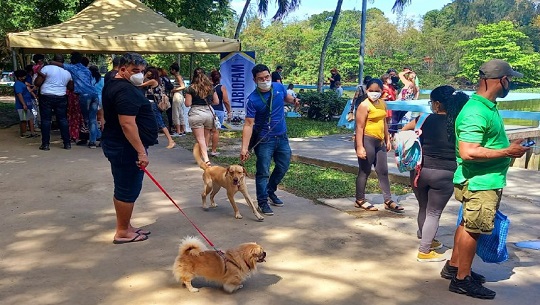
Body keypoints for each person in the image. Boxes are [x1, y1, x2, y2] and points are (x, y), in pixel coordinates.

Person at [441, 59, 528, 299]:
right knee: (473, 229)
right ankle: (462, 280)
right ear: (500, 80)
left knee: (465, 224)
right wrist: (507, 152)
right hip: (480, 183)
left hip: (481, 180)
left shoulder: (486, 106)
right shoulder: (476, 111)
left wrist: (507, 147)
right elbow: (468, 151)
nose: (510, 83)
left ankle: (455, 267)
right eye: (509, 79)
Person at [401, 86, 469, 262]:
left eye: (431, 102)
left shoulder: (423, 118)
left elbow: (403, 132)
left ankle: (427, 240)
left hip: (419, 171)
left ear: (437, 104)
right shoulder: (459, 123)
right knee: (434, 213)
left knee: (423, 207)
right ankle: (424, 250)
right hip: (444, 174)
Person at [101, 52, 157, 244]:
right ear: (122, 69)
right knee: (127, 189)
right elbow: (127, 124)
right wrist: (141, 151)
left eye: (142, 71)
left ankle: (125, 225)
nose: (139, 75)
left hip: (119, 144)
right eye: (135, 71)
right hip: (126, 148)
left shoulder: (115, 82)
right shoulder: (124, 90)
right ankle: (122, 231)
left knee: (126, 188)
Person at [240, 64, 299, 216]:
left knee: (283, 166)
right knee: (263, 172)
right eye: (261, 78)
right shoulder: (252, 99)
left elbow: (285, 97)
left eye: (267, 77)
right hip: (264, 140)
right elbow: (248, 124)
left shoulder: (278, 87)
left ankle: (270, 191)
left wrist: (294, 100)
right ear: (254, 80)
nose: (265, 80)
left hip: (282, 136)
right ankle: (262, 202)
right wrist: (244, 148)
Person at [353, 78, 403, 213]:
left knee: (383, 171)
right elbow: (359, 127)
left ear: (382, 91)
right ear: (367, 90)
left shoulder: (382, 103)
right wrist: (359, 146)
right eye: (371, 91)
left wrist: (387, 140)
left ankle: (388, 200)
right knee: (365, 170)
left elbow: (384, 123)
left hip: (379, 141)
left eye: (377, 91)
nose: (374, 93)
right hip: (366, 139)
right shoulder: (364, 106)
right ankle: (360, 199)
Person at [54, 52, 100, 148]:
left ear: (73, 60)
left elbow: (59, 64)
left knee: (87, 119)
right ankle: (95, 139)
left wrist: (50, 62)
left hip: (84, 95)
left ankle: (96, 138)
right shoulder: (87, 70)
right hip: (94, 94)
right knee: (92, 119)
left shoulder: (73, 67)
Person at [34, 54, 73, 151]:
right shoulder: (67, 72)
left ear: (53, 60)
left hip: (46, 96)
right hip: (61, 97)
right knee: (63, 120)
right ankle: (67, 143)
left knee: (46, 120)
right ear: (63, 62)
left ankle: (45, 144)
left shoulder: (47, 68)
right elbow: (71, 87)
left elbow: (37, 83)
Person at [185, 67, 219, 165]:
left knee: (200, 138)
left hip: (196, 113)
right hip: (209, 113)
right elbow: (216, 101)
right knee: (206, 136)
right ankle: (203, 156)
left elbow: (187, 104)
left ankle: (206, 159)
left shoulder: (190, 88)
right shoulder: (210, 87)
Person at [142, 67, 176, 149]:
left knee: (160, 122)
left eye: (149, 72)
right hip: (156, 103)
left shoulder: (153, 81)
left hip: (153, 103)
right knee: (156, 122)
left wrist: (145, 75)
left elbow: (140, 84)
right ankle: (155, 138)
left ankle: (170, 140)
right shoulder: (159, 80)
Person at [209, 69, 231, 156]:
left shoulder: (208, 87)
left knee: (206, 131)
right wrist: (229, 111)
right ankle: (213, 150)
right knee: (216, 131)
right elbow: (226, 101)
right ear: (220, 78)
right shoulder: (222, 87)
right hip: (219, 110)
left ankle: (204, 149)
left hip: (209, 110)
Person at [13, 70, 38, 138]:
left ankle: (32, 132)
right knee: (24, 119)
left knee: (30, 118)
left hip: (28, 103)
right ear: (20, 77)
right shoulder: (18, 84)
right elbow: (19, 94)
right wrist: (23, 104)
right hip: (22, 105)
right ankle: (24, 133)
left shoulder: (23, 83)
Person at [169, 63, 186, 136]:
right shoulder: (179, 76)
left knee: (176, 112)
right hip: (180, 95)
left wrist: (174, 90)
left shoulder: (178, 76)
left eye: (171, 70)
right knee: (180, 112)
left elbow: (183, 86)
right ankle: (183, 129)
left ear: (174, 70)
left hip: (177, 95)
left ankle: (178, 131)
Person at [89, 65, 105, 146]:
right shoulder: (102, 79)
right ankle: (103, 138)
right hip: (102, 99)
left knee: (92, 120)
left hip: (92, 99)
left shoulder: (89, 80)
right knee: (102, 119)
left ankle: (92, 140)